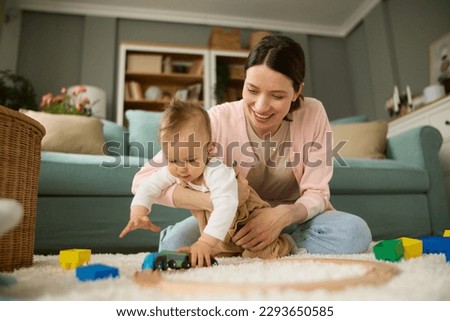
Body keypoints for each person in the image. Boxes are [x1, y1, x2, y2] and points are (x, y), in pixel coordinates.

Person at [132, 35, 372, 257]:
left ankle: (282, 242)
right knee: (173, 245)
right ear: (244, 81)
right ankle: (253, 244)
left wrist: (281, 216)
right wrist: (216, 202)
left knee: (354, 233)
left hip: (292, 217)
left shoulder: (313, 113)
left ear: (297, 91)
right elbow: (142, 181)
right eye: (252, 90)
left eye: (277, 96)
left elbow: (317, 193)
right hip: (231, 216)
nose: (260, 106)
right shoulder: (216, 119)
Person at [120, 100, 296, 267]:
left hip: (246, 220)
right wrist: (139, 212)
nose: (182, 169)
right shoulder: (175, 169)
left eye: (190, 159)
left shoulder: (216, 170)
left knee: (259, 254)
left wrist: (205, 242)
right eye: (173, 160)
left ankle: (287, 241)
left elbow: (225, 206)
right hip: (219, 228)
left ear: (209, 150)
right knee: (202, 254)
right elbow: (148, 185)